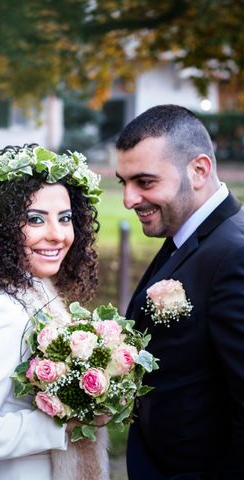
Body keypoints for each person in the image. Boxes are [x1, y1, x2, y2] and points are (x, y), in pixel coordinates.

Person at [0, 144, 109, 480]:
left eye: (65, 218)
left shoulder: (32, 289)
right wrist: (66, 420)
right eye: (35, 219)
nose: (57, 235)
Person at [115, 104, 244, 479]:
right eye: (124, 182)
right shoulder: (187, 237)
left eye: (145, 182)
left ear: (199, 170)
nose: (129, 199)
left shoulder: (233, 255)